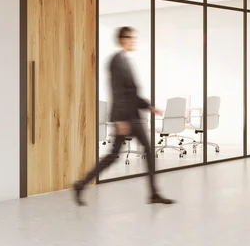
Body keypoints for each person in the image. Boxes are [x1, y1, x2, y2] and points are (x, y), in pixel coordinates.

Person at [73, 27, 174, 205]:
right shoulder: (116, 61)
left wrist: (149, 106)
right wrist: (119, 119)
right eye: (130, 37)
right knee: (114, 156)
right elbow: (117, 92)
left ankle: (153, 193)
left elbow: (131, 93)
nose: (133, 40)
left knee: (140, 152)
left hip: (133, 115)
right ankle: (81, 184)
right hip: (126, 118)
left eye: (133, 37)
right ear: (122, 39)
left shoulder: (125, 60)